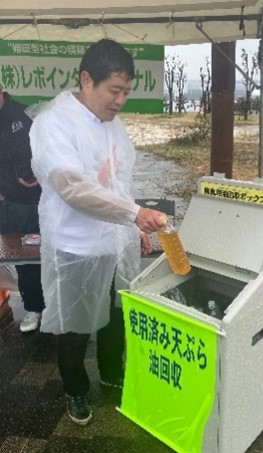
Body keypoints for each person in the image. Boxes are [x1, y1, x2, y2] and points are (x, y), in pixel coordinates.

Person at [29, 39, 167, 426]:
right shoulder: (54, 123)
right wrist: (134, 214)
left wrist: (132, 225)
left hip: (114, 241)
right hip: (75, 245)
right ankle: (75, 389)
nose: (121, 100)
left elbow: (118, 182)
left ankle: (112, 374)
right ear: (87, 79)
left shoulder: (111, 124)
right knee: (74, 326)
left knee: (114, 317)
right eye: (115, 90)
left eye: (126, 92)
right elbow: (72, 187)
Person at [0, 88, 45, 332]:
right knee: (14, 256)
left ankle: (43, 307)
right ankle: (33, 306)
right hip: (6, 204)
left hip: (34, 202)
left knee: (36, 256)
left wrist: (41, 173)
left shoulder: (25, 114)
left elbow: (51, 151)